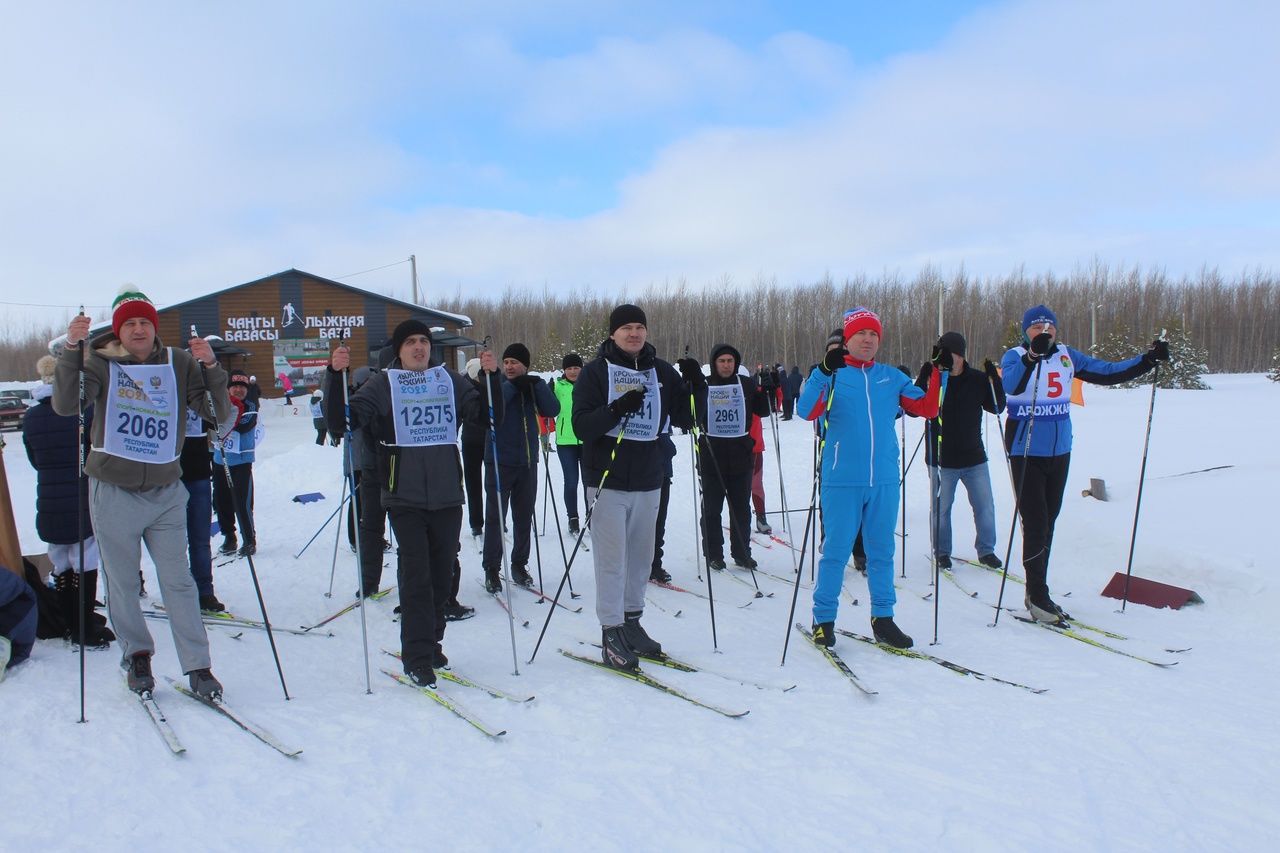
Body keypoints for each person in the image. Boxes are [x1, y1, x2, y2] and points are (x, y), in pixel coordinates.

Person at [53, 288, 230, 698]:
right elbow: (66, 405)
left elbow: (216, 414)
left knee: (179, 581)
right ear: (118, 330)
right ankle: (137, 656)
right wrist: (70, 351)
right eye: (129, 323)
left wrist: (212, 367)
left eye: (144, 321)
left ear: (155, 327)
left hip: (167, 491)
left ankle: (198, 666)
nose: (138, 329)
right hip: (114, 490)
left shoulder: (178, 361)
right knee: (122, 583)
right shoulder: (101, 361)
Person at [327, 319, 499, 687]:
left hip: (447, 494)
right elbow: (341, 421)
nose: (419, 348)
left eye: (423, 341)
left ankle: (432, 644)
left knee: (442, 575)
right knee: (416, 575)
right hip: (403, 495)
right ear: (398, 350)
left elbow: (484, 415)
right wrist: (333, 376)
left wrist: (490, 380)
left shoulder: (448, 380)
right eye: (411, 343)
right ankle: (417, 654)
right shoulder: (383, 384)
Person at [1001, 305, 1167, 623]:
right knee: (1035, 524)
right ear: (1026, 331)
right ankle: (1037, 596)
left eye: (1049, 326)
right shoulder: (1014, 355)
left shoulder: (1066, 355)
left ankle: (1039, 590)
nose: (1044, 331)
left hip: (1060, 450)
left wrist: (1147, 360)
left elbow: (1107, 372)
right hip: (1026, 451)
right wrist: (1030, 358)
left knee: (1049, 522)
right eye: (1036, 327)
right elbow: (1011, 385)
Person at [797, 307, 941, 650]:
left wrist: (940, 371)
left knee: (881, 551)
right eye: (861, 333)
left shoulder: (891, 377)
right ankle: (824, 618)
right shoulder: (832, 375)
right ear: (847, 339)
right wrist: (821, 372)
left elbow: (928, 408)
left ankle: (883, 618)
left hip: (884, 481)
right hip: (841, 479)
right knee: (835, 551)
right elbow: (806, 411)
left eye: (873, 334)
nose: (867, 339)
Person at [573, 304, 692, 670]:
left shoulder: (661, 372)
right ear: (613, 333)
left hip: (648, 478)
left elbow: (688, 419)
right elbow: (582, 427)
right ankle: (611, 631)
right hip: (606, 479)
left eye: (640, 327)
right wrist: (617, 408)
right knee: (612, 561)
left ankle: (632, 622)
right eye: (626, 327)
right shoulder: (595, 373)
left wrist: (693, 386)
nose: (634, 334)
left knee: (641, 559)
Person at [22, 356, 115, 646]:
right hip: (80, 491)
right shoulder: (83, 412)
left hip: (49, 496)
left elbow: (34, 459)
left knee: (60, 558)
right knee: (85, 556)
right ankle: (83, 626)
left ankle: (67, 620)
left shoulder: (32, 417)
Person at [913, 331, 1007, 570]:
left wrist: (994, 379)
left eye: (954, 354)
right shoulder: (934, 380)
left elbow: (997, 407)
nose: (949, 359)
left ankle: (987, 550)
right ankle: (942, 552)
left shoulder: (976, 379)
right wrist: (924, 376)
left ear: (962, 356)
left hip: (974, 457)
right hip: (941, 460)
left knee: (985, 507)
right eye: (945, 354)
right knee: (941, 510)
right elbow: (915, 409)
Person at [685, 344, 772, 572]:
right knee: (712, 509)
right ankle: (714, 553)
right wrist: (691, 386)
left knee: (740, 508)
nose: (726, 365)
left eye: (730, 361)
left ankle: (742, 553)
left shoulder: (745, 384)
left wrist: (768, 389)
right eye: (722, 361)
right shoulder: (705, 384)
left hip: (740, 454)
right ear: (714, 363)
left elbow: (762, 410)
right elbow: (690, 415)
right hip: (711, 455)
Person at [481, 343, 559, 592]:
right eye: (506, 362)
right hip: (499, 461)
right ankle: (491, 568)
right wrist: (514, 385)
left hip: (527, 462)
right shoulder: (499, 385)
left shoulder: (531, 386)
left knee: (524, 517)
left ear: (525, 365)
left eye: (514, 362)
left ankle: (519, 564)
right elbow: (496, 404)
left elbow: (553, 409)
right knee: (495, 518)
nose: (509, 366)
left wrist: (536, 386)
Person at [179, 401, 221, 612]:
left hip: (199, 475)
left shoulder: (199, 395)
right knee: (173, 543)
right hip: (169, 478)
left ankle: (205, 592)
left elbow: (221, 420)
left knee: (200, 540)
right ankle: (179, 591)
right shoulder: (165, 389)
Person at [213, 370, 258, 558]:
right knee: (221, 501)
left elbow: (243, 424)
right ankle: (229, 537)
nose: (238, 390)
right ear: (228, 388)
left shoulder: (250, 405)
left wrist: (229, 414)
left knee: (242, 502)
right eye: (235, 386)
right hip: (220, 459)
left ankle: (249, 539)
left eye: (242, 387)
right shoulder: (219, 404)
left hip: (241, 461)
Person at [550, 353, 585, 535]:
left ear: (581, 368)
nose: (573, 371)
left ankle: (591, 517)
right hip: (565, 441)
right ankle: (573, 518)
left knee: (589, 481)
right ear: (564, 370)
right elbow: (548, 407)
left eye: (576, 368)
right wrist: (546, 392)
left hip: (587, 439)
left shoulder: (589, 384)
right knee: (571, 481)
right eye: (569, 368)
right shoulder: (558, 386)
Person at [460, 358, 488, 540]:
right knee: (473, 483)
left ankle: (494, 518)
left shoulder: (491, 384)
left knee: (493, 482)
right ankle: (476, 522)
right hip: (471, 441)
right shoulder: (464, 388)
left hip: (490, 440)